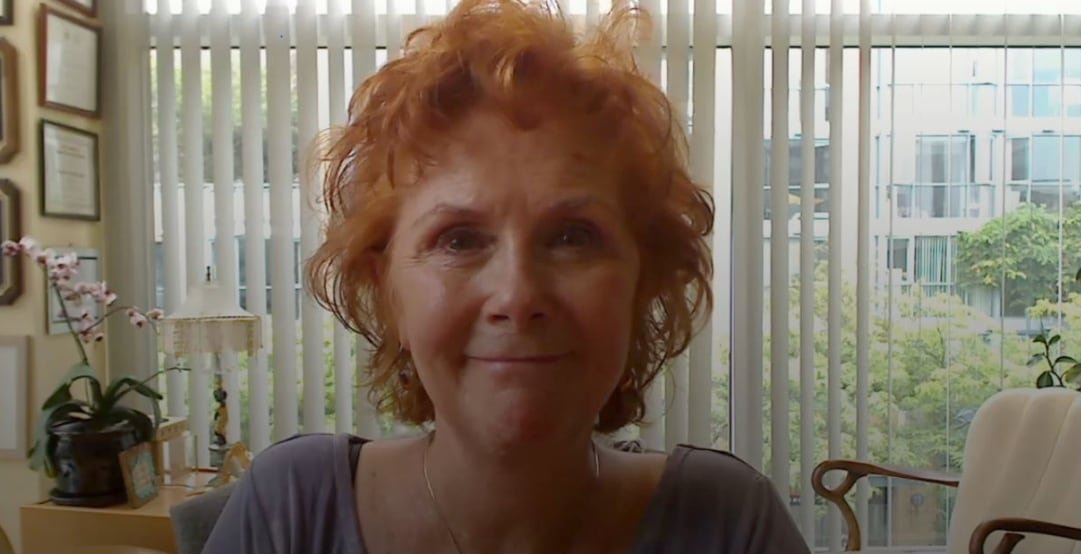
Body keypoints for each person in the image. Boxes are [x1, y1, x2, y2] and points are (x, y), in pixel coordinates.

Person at [203, 0, 809, 552]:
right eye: (459, 240)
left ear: (641, 283)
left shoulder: (733, 524)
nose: (517, 297)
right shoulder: (288, 514)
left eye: (573, 236)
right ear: (388, 294)